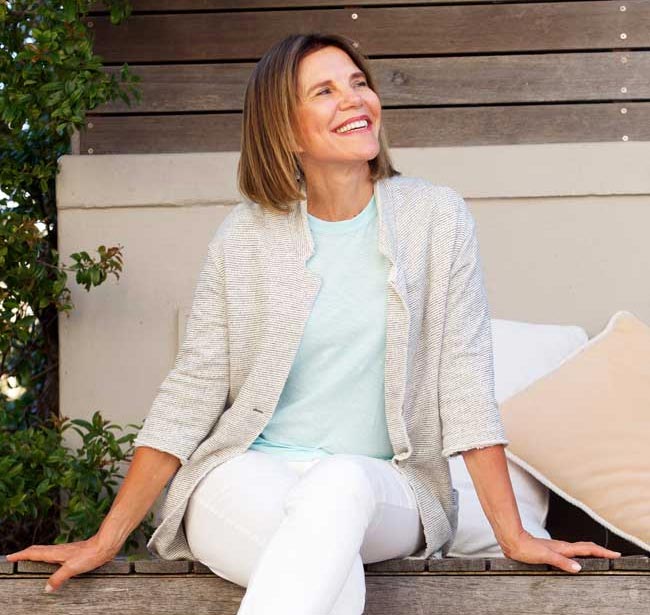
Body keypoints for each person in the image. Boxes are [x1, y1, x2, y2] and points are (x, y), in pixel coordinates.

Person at [6, 32, 621, 614]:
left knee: (336, 486)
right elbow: (190, 395)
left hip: (386, 486)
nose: (354, 98)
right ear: (286, 129)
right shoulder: (245, 238)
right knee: (328, 571)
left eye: (357, 82)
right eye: (324, 91)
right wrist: (106, 537)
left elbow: (463, 385)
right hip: (243, 477)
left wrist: (511, 534)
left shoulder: (436, 219)